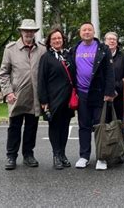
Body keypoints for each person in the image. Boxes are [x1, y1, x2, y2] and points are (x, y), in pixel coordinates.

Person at [0, 19, 46, 170]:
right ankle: (11, 156)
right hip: (16, 96)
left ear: (35, 33)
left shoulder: (42, 49)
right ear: (21, 31)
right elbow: (3, 73)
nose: (28, 33)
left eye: (31, 31)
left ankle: (28, 155)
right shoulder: (11, 49)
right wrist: (8, 92)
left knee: (32, 127)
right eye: (26, 30)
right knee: (15, 127)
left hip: (35, 96)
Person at [68, 22, 115, 170]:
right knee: (84, 126)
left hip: (99, 94)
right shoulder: (74, 49)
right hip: (81, 93)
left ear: (94, 32)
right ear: (80, 33)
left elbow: (109, 72)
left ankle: (102, 157)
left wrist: (109, 92)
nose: (87, 32)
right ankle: (84, 156)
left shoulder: (103, 49)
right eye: (84, 30)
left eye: (89, 29)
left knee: (100, 126)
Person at [37, 28, 75, 170]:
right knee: (54, 127)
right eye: (54, 39)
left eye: (59, 38)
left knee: (65, 127)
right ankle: (56, 155)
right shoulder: (46, 58)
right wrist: (44, 101)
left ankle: (63, 154)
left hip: (68, 99)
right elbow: (41, 80)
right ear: (49, 42)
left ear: (63, 39)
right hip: (53, 99)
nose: (57, 41)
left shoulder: (68, 56)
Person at [104, 32, 124, 122]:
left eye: (114, 39)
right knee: (104, 126)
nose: (112, 41)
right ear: (105, 41)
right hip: (103, 97)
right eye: (109, 39)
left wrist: (113, 90)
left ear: (117, 42)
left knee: (119, 125)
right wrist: (106, 92)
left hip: (119, 97)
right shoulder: (99, 56)